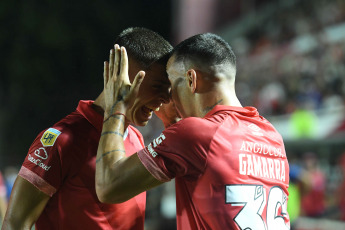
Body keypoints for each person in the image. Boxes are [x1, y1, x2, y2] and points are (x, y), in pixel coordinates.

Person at [96, 33, 291, 229]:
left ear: (191, 79)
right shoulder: (271, 136)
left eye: (172, 86)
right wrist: (172, 122)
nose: (168, 99)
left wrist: (117, 106)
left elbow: (109, 186)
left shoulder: (195, 133)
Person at [2, 27, 172, 230]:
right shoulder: (61, 140)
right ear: (121, 76)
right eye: (157, 87)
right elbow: (14, 224)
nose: (166, 98)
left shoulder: (136, 137)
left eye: (169, 89)